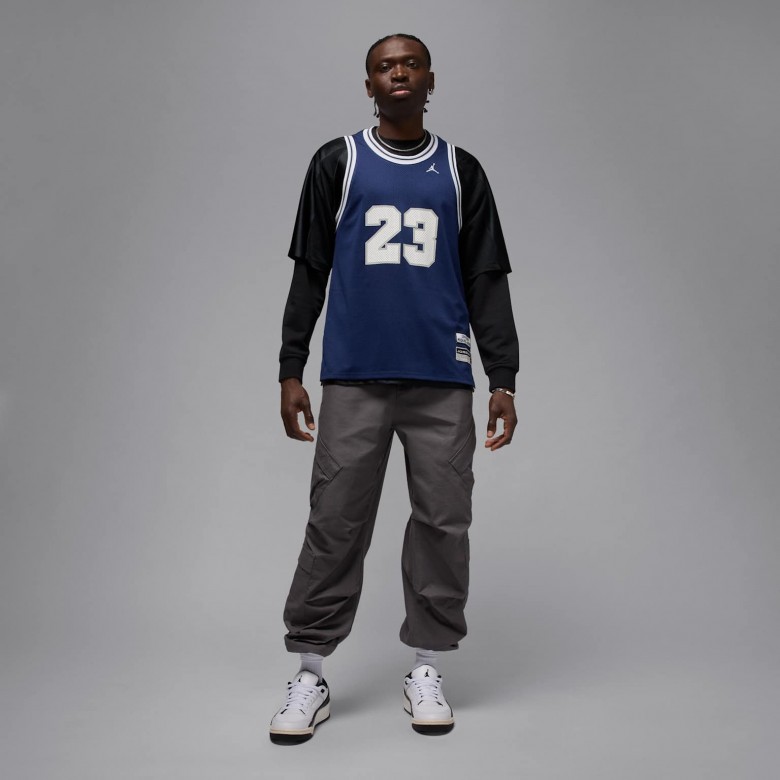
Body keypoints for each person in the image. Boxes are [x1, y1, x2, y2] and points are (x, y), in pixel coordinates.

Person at [269, 33, 518, 745]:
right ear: (369, 84)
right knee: (335, 520)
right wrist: (290, 367)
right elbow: (310, 270)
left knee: (443, 522)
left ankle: (427, 667)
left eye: (410, 63)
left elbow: (486, 280)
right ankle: (310, 674)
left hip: (442, 376)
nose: (398, 73)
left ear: (430, 79)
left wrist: (503, 377)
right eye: (385, 66)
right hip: (355, 374)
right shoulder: (338, 161)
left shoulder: (461, 170)